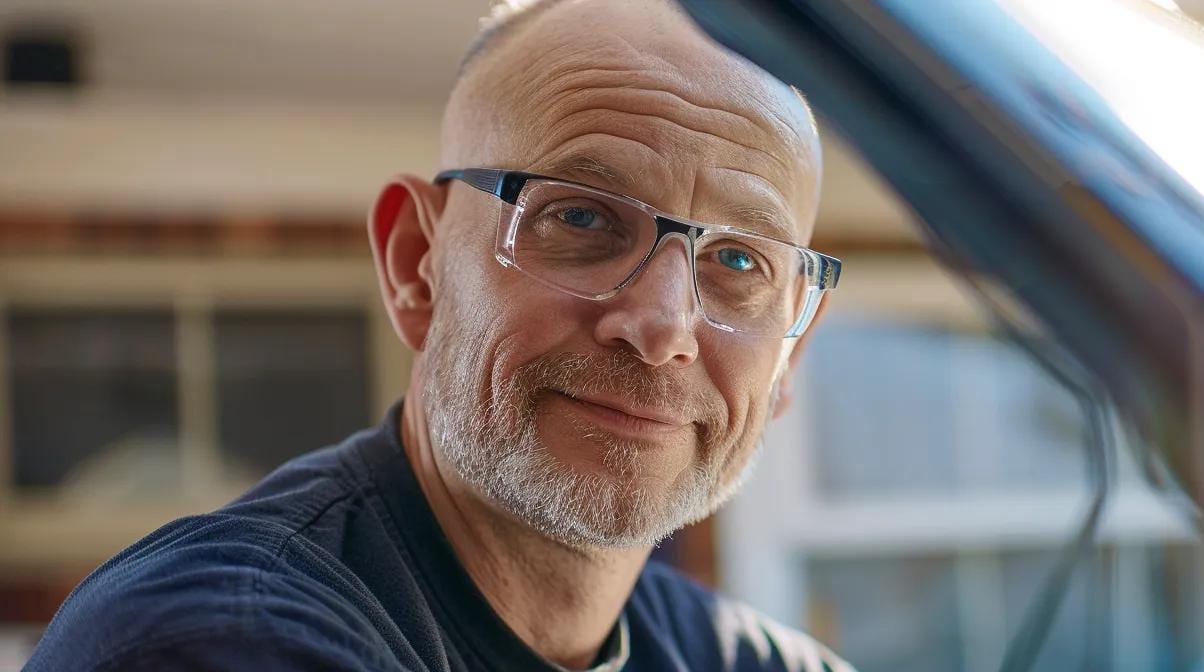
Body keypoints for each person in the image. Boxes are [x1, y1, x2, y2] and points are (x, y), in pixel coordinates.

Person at [26, 1, 848, 669]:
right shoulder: (220, 640)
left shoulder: (735, 655)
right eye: (582, 216)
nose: (664, 326)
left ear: (789, 360)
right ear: (417, 264)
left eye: (741, 259)